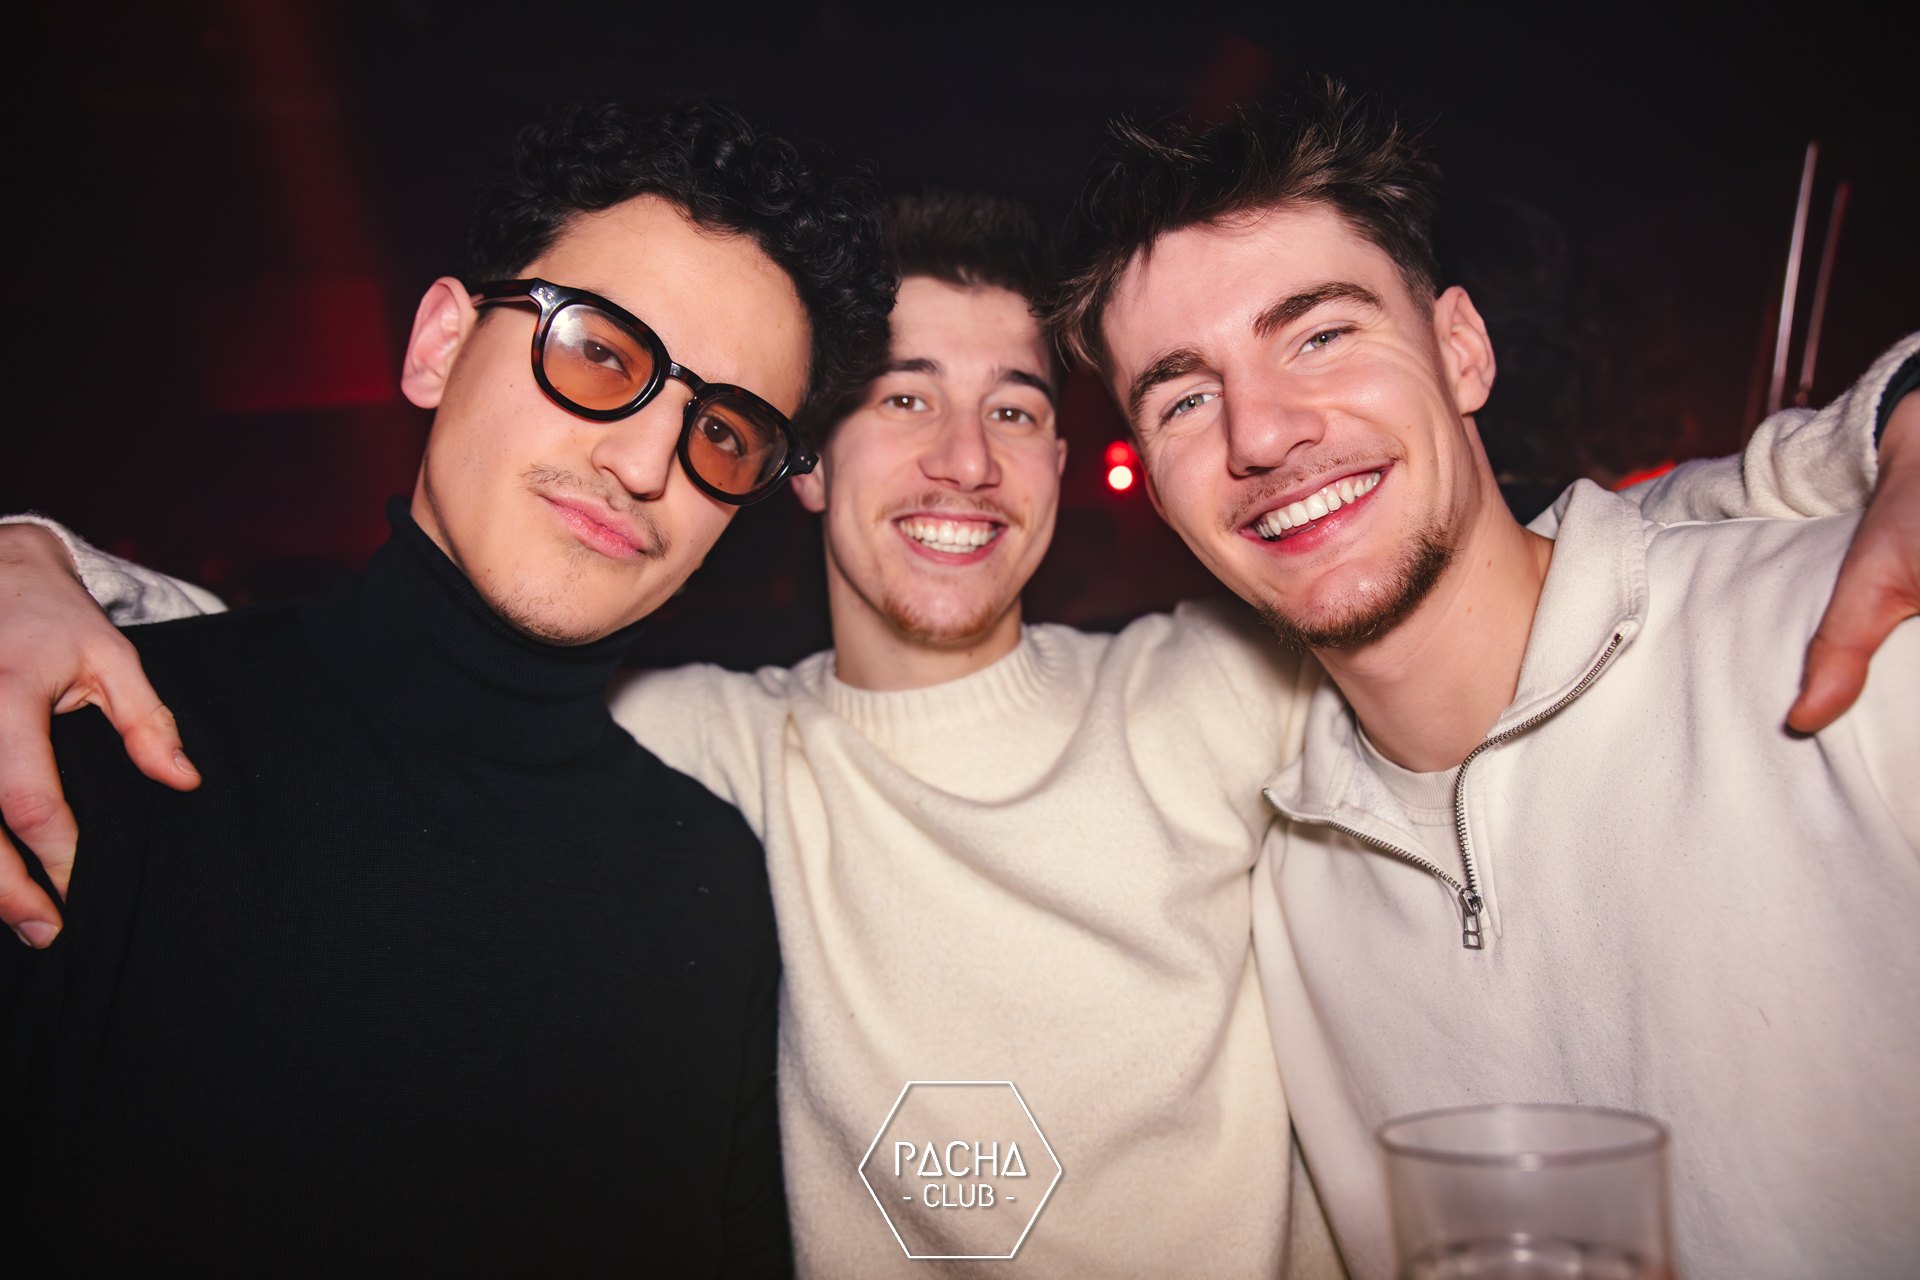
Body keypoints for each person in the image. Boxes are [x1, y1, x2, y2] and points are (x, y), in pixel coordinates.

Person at [3, 173, 1916, 1277]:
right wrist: (39, 563)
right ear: (800, 463)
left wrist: (1892, 412)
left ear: (1070, 467)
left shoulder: (1207, 691)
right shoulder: (707, 742)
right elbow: (382, 683)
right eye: (902, 398)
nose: (963, 457)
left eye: (1018, 407)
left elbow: (1551, 551)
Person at [0, 99, 895, 1274]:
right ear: (437, 345)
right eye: (599, 352)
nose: (643, 464)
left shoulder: (713, 881)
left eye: (723, 432)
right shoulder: (76, 748)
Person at [1045, 82, 1920, 1278]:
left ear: (1461, 350)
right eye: (1186, 397)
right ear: (1154, 483)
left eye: (1319, 334)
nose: (1261, 433)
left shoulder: (1853, 640)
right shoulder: (1284, 884)